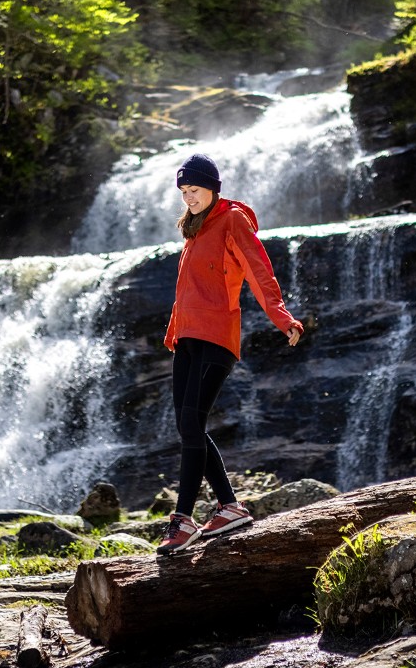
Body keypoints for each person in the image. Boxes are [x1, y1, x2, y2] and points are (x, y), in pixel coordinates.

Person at [157, 153, 304, 555]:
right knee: (188, 427)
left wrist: (282, 317)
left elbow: (260, 271)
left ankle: (183, 520)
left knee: (191, 422)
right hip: (187, 337)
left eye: (196, 190)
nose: (189, 198)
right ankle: (230, 506)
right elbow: (186, 289)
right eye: (184, 192)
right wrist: (174, 333)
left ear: (213, 189)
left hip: (217, 336)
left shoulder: (232, 220)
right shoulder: (193, 228)